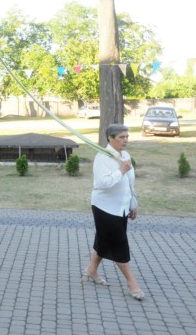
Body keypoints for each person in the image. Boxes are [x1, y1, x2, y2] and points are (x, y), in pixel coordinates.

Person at [84, 124, 145, 301]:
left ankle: (91, 270)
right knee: (119, 243)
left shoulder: (125, 155)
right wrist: (121, 171)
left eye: (127, 136)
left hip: (121, 207)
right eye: (121, 137)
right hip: (104, 207)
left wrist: (132, 203)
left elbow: (129, 183)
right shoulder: (102, 157)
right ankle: (132, 282)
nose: (125, 140)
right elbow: (102, 183)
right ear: (110, 138)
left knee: (104, 240)